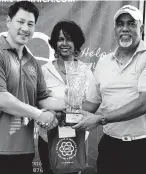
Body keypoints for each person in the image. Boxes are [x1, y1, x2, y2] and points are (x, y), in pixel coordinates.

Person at [0, 1, 66, 174]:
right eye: (20, 22)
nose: (26, 28)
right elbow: (0, 99)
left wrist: (71, 102)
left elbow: (43, 99)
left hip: (24, 153)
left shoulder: (32, 62)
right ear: (8, 21)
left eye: (30, 24)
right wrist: (39, 114)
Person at [73, 5, 146, 174]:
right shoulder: (104, 62)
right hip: (111, 147)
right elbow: (91, 104)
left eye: (131, 24)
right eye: (120, 24)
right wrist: (64, 113)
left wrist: (100, 119)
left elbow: (145, 104)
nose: (125, 29)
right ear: (114, 29)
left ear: (141, 28)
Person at [37, 20, 91, 174]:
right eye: (60, 39)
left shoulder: (85, 71)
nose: (65, 43)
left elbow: (92, 103)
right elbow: (38, 102)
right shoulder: (43, 71)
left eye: (69, 39)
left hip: (77, 138)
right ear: (54, 43)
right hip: (48, 138)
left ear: (76, 43)